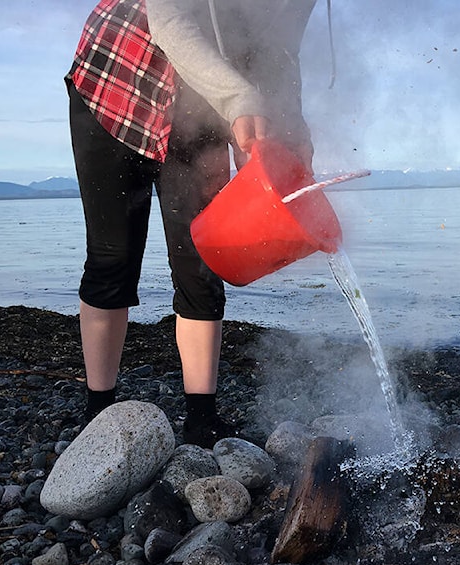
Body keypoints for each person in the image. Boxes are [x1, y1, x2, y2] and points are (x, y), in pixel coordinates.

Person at [66, 0, 320, 447]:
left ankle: (202, 418)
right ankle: (98, 409)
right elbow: (170, 20)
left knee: (200, 262)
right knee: (113, 256)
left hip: (201, 110)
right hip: (120, 83)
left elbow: (280, 53)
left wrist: (291, 129)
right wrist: (239, 99)